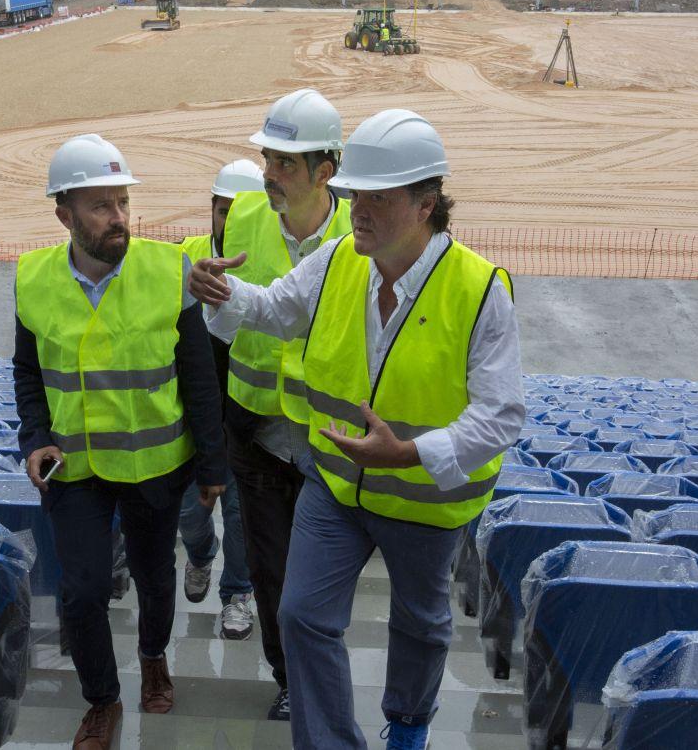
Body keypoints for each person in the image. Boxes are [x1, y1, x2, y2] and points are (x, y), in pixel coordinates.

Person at [190, 109, 525, 750]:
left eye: (378, 198)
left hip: (427, 499)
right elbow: (274, 308)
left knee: (422, 626)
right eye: (356, 196)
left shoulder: (481, 290)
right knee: (302, 615)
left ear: (427, 204)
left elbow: (502, 412)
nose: (358, 211)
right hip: (338, 486)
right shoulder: (340, 259)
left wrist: (413, 451)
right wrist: (222, 293)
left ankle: (406, 724)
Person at [14, 134, 227, 750]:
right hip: (73, 468)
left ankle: (154, 656)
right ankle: (101, 700)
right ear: (65, 215)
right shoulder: (33, 278)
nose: (119, 218)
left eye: (123, 203)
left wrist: (212, 463)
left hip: (155, 466)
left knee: (156, 578)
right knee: (82, 593)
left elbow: (198, 375)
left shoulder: (169, 273)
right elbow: (28, 371)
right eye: (102, 206)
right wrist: (35, 438)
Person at [215, 88, 351, 722]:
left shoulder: (364, 234)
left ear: (327, 171)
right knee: (270, 571)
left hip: (331, 442)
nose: (269, 175)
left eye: (285, 164)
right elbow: (211, 312)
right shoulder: (241, 215)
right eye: (268, 159)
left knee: (319, 579)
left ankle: (319, 667)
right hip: (257, 434)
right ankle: (289, 677)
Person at [178, 159, 265, 640]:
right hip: (196, 418)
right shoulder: (183, 258)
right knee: (192, 514)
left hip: (249, 419)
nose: (229, 221)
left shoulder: (272, 262)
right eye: (222, 210)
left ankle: (237, 593)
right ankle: (199, 555)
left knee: (241, 517)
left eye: (239, 210)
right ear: (210, 210)